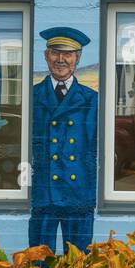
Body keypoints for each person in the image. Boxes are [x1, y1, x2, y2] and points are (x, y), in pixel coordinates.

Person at [29, 26, 98, 253]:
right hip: (43, 191)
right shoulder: (32, 96)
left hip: (79, 192)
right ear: (46, 56)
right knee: (38, 265)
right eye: (55, 52)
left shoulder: (92, 99)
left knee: (78, 266)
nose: (61, 59)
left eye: (67, 54)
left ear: (77, 58)